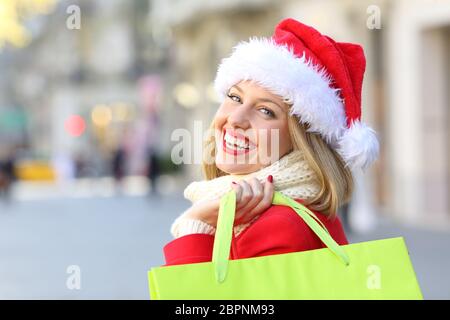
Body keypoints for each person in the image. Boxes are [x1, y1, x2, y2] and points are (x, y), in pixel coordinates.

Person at [163, 18, 379, 266]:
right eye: (235, 97)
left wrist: (195, 226)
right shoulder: (285, 210)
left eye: (266, 111)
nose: (235, 118)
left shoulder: (278, 226)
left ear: (301, 141)